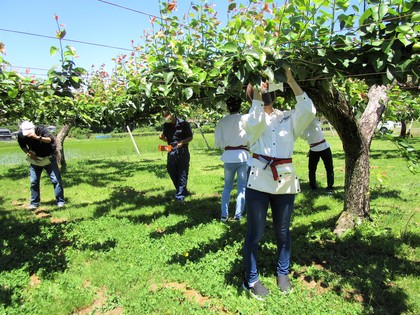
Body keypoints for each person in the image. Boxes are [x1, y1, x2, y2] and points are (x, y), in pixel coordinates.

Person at [241, 68, 316, 300]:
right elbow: (255, 123)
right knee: (255, 233)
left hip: (284, 181)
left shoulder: (287, 118)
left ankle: (282, 273)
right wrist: (256, 97)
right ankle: (251, 279)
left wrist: (290, 79)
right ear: (251, 92)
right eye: (259, 85)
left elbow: (309, 110)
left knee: (283, 232)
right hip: (258, 181)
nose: (265, 88)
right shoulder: (249, 118)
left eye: (267, 85)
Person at [214, 96, 250, 222]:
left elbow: (218, 142)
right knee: (242, 187)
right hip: (242, 155)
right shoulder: (245, 118)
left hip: (229, 156)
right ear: (240, 106)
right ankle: (238, 215)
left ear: (228, 107)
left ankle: (224, 215)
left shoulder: (222, 121)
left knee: (227, 187)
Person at [17, 120, 65, 209]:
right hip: (36, 160)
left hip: (48, 158)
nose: (28, 135)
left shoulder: (41, 130)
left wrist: (37, 137)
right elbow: (22, 145)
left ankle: (60, 202)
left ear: (33, 129)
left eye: (29, 132)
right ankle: (34, 203)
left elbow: (50, 140)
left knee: (56, 180)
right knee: (34, 181)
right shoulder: (21, 135)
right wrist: (28, 153)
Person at [159, 112, 193, 202]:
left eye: (167, 115)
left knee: (182, 172)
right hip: (171, 150)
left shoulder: (184, 124)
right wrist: (162, 138)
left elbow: (190, 137)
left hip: (182, 151)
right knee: (171, 171)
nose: (166, 118)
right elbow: (167, 139)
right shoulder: (166, 125)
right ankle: (182, 190)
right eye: (164, 116)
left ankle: (180, 195)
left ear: (173, 114)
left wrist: (183, 142)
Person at [301, 118, 334, 194]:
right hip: (321, 148)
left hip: (316, 149)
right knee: (329, 169)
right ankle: (329, 188)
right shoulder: (313, 122)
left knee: (312, 170)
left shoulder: (302, 130)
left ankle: (313, 187)